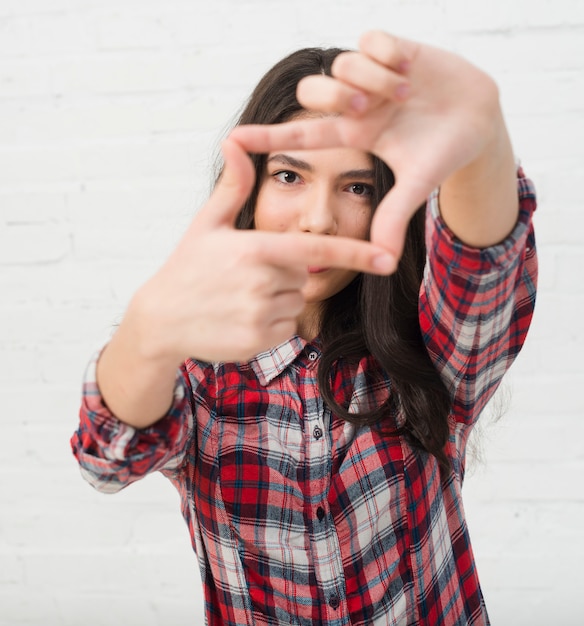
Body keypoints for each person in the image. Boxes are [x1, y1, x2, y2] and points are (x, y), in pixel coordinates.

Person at [71, 30, 537, 625]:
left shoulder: (424, 349)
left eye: (356, 186)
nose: (318, 221)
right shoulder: (196, 367)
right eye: (290, 177)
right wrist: (148, 325)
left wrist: (483, 145)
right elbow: (107, 459)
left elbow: (480, 273)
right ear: (250, 189)